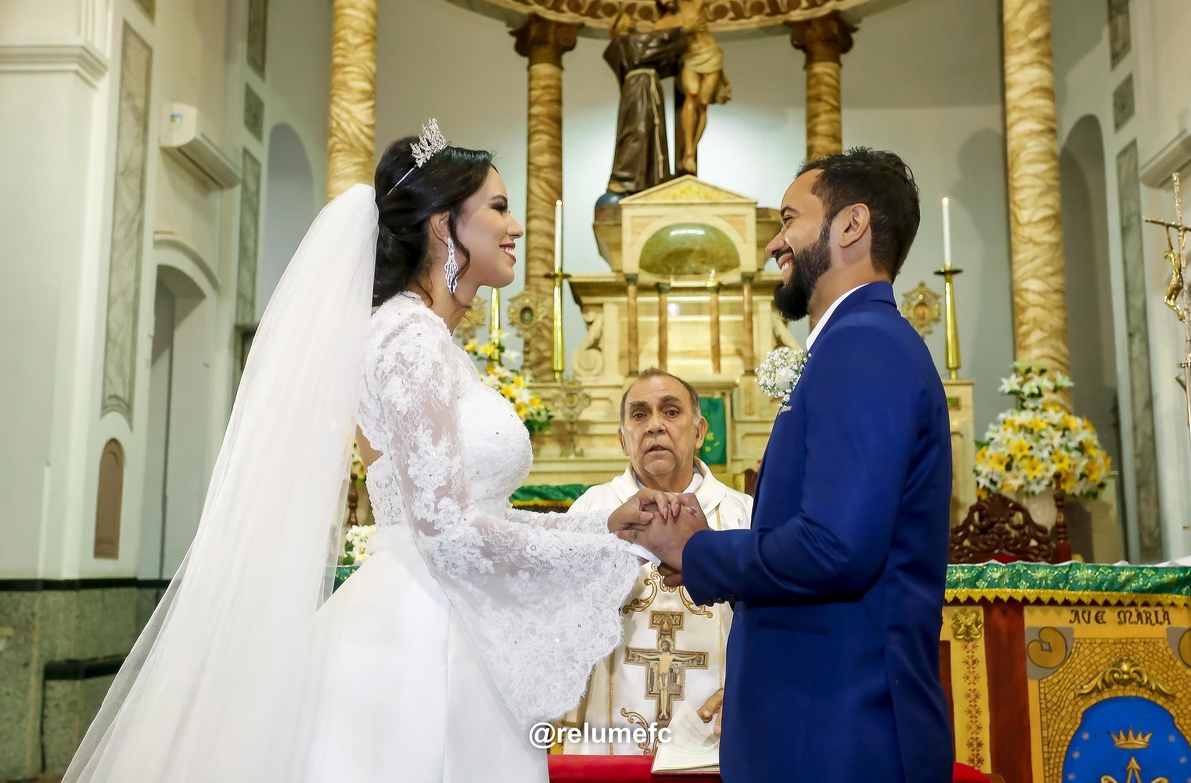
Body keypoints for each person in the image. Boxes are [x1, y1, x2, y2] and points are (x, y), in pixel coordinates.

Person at [64, 121, 671, 783]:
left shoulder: (431, 344)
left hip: (444, 615)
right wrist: (614, 550)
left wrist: (599, 524)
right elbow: (445, 535)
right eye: (498, 207)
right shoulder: (408, 340)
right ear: (445, 226)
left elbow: (469, 511)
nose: (516, 226)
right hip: (421, 638)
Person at [620, 148, 954, 782]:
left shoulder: (861, 346)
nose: (775, 243)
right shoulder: (858, 342)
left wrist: (700, 552)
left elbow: (837, 547)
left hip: (839, 730)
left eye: (789, 219)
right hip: (820, 721)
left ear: (850, 227)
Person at [560, 369, 751, 754]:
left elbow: (776, 621)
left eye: (671, 411)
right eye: (639, 415)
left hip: (719, 731)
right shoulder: (592, 512)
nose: (655, 426)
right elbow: (557, 620)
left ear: (699, 431)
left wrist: (752, 690)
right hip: (608, 736)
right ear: (622, 438)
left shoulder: (743, 515)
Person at [651, 0, 734, 175]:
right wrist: (683, 30)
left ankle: (692, 148)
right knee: (692, 95)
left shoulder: (695, 4)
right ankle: (688, 150)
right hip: (690, 59)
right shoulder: (663, 23)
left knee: (703, 104)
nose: (663, 0)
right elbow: (657, 43)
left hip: (711, 55)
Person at [603, 14, 687, 196]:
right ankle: (624, 178)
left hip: (637, 89)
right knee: (638, 132)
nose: (634, 21)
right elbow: (657, 44)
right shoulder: (626, 43)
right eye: (629, 19)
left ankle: (647, 179)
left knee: (644, 131)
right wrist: (682, 29)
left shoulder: (625, 45)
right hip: (641, 88)